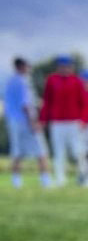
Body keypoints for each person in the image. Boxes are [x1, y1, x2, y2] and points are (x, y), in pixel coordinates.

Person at [39, 54, 88, 186]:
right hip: (57, 122)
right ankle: (60, 178)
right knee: (59, 152)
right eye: (62, 66)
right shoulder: (51, 80)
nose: (65, 69)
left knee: (78, 151)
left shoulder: (77, 81)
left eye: (67, 66)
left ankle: (84, 176)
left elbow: (84, 103)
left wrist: (83, 120)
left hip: (74, 122)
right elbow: (47, 101)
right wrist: (43, 119)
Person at [4, 57, 50, 188]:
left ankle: (16, 182)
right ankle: (45, 181)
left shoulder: (10, 82)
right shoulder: (23, 82)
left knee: (17, 151)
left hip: (13, 122)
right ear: (21, 67)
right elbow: (26, 105)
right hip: (25, 121)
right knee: (41, 151)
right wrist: (33, 123)